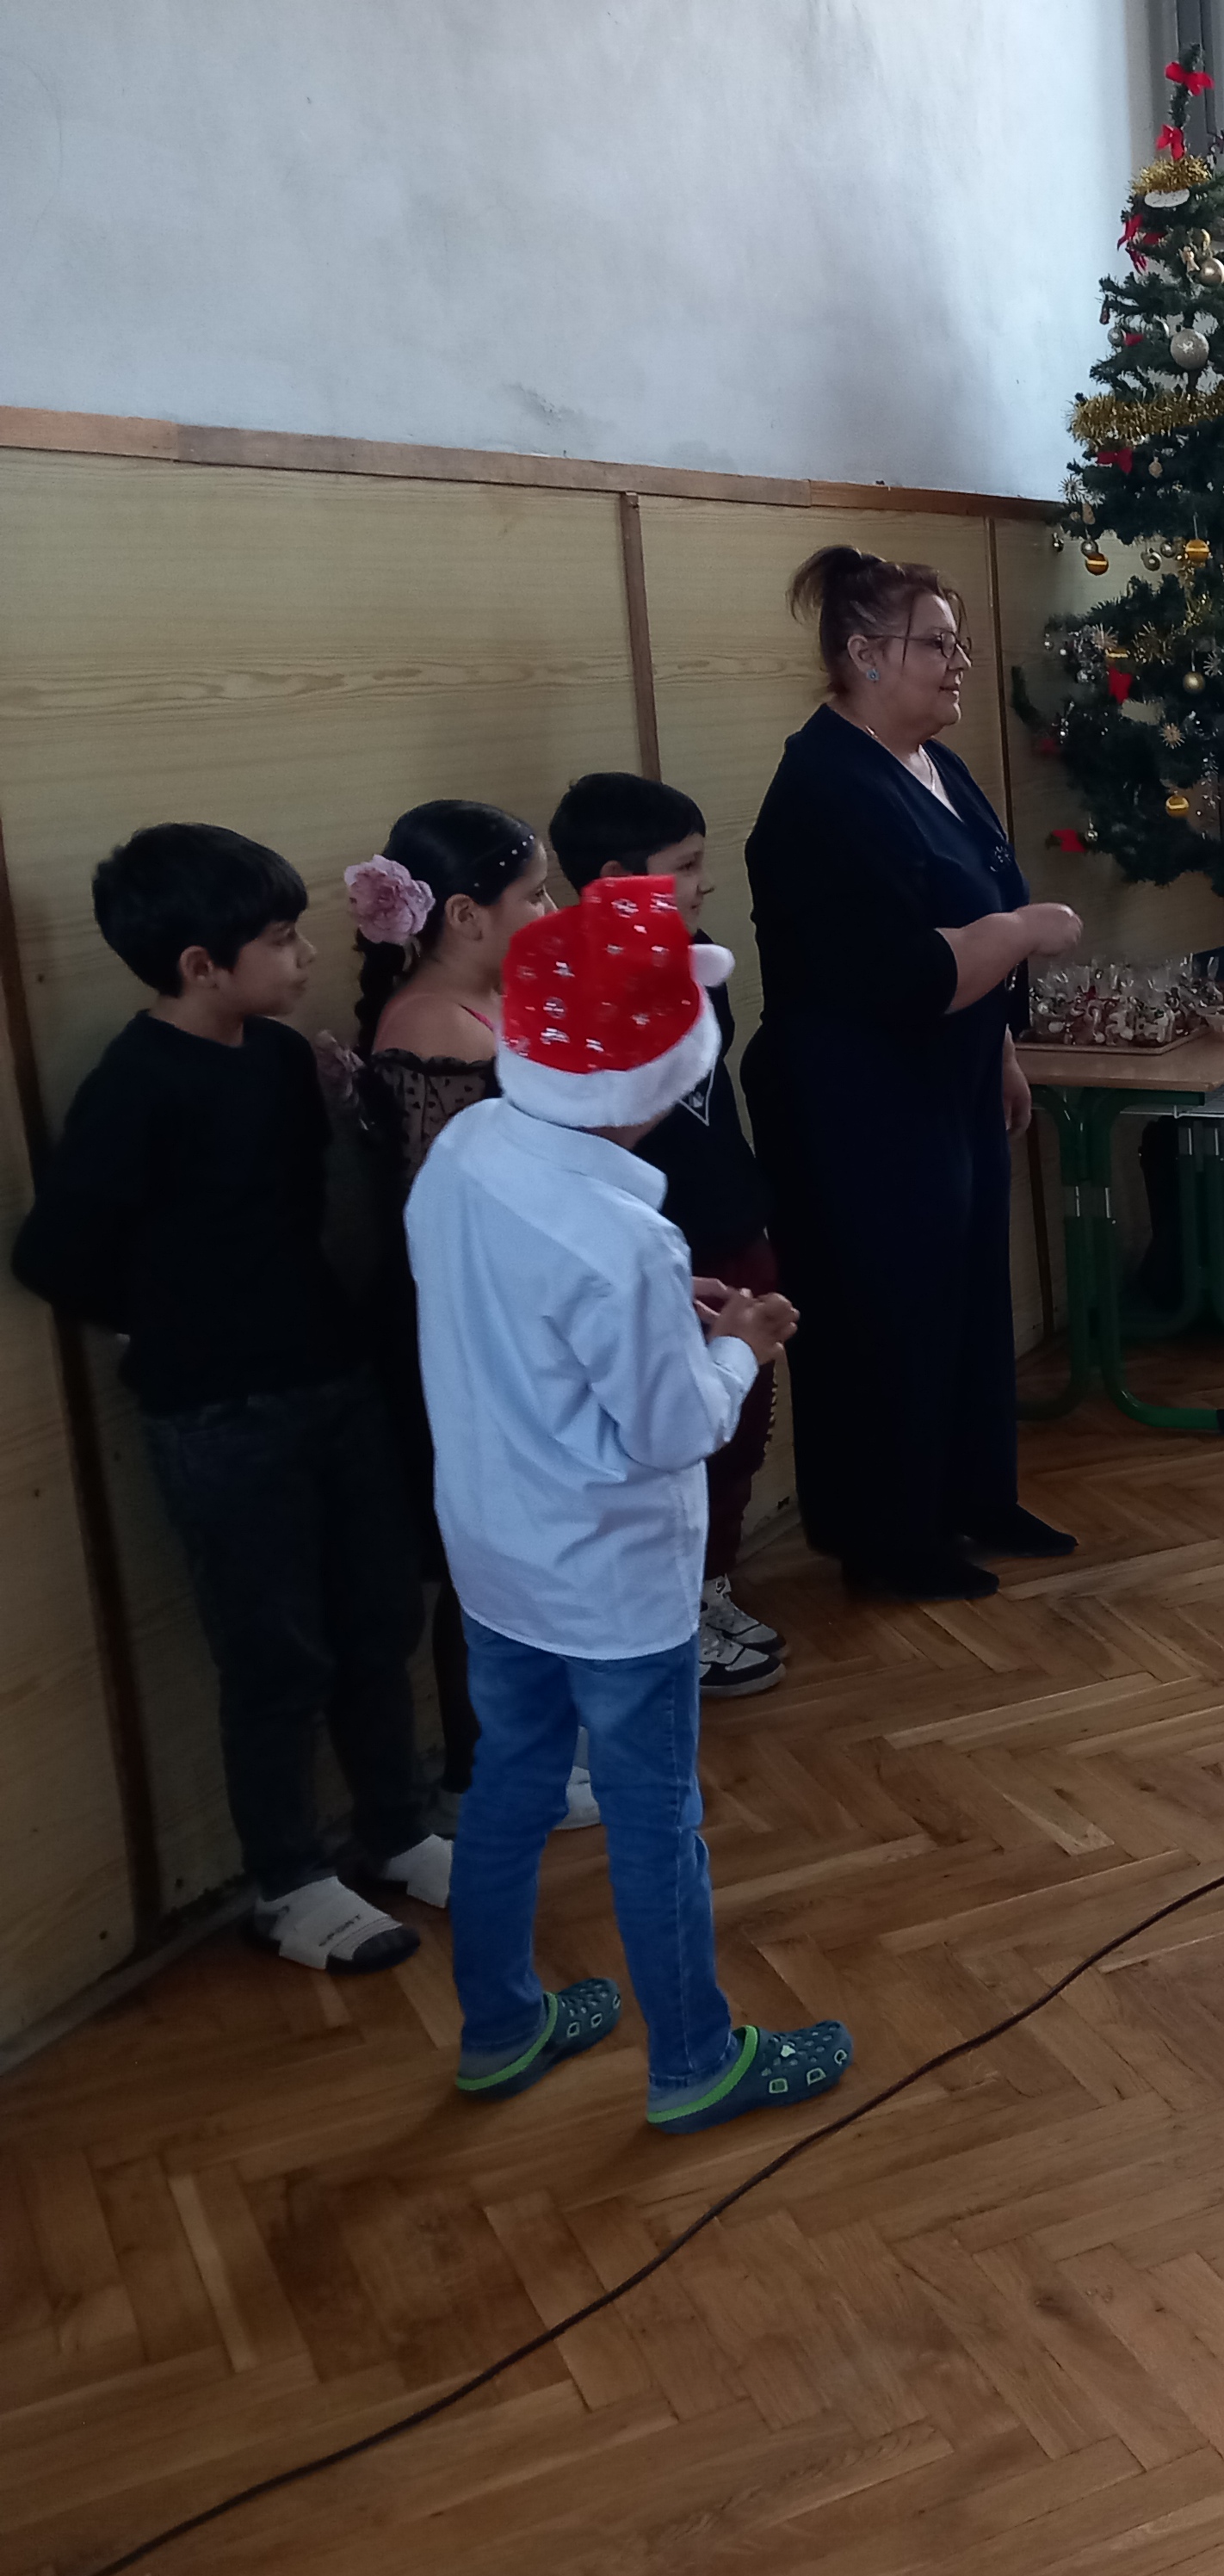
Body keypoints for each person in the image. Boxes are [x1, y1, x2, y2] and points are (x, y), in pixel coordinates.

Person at [411, 874, 853, 2129]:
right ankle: (695, 2062)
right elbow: (673, 1429)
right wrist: (741, 1346)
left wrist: (671, 1316)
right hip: (611, 1582)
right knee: (658, 1819)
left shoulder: (466, 1151)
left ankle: (499, 2027)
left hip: (495, 1555)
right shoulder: (625, 1242)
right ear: (656, 1078)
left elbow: (519, 1322)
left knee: (511, 1788)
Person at [12, 825, 451, 1973]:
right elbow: (54, 1253)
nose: (303, 956)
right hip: (219, 1414)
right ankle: (289, 1882)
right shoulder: (136, 1085)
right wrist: (160, 1323)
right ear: (200, 965)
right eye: (280, 939)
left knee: (378, 1616)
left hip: (333, 1377)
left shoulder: (277, 1058)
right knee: (274, 1652)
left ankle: (396, 1827)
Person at [745, 546, 1083, 1600]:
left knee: (968, 1290)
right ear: (864, 656)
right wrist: (1024, 932)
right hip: (858, 1095)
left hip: (951, 1075)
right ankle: (887, 1539)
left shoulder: (936, 765)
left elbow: (982, 894)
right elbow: (910, 970)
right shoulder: (824, 791)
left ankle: (975, 1495)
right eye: (937, 644)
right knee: (886, 1308)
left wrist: (1003, 1052)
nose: (959, 662)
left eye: (958, 642)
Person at [345, 800, 576, 1811]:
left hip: (521, 1309)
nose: (552, 912)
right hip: (468, 1329)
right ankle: (489, 1774)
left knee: (535, 1542)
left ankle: (535, 1747)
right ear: (466, 915)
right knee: (487, 1556)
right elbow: (458, 1209)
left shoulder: (486, 1000)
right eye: (536, 895)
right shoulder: (432, 1028)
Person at [550, 773, 788, 1691]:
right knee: (668, 1444)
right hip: (653, 1246)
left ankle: (709, 1587)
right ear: (616, 880)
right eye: (684, 865)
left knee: (742, 1423)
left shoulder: (697, 958)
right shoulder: (568, 987)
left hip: (731, 1221)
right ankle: (666, 1616)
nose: (703, 882)